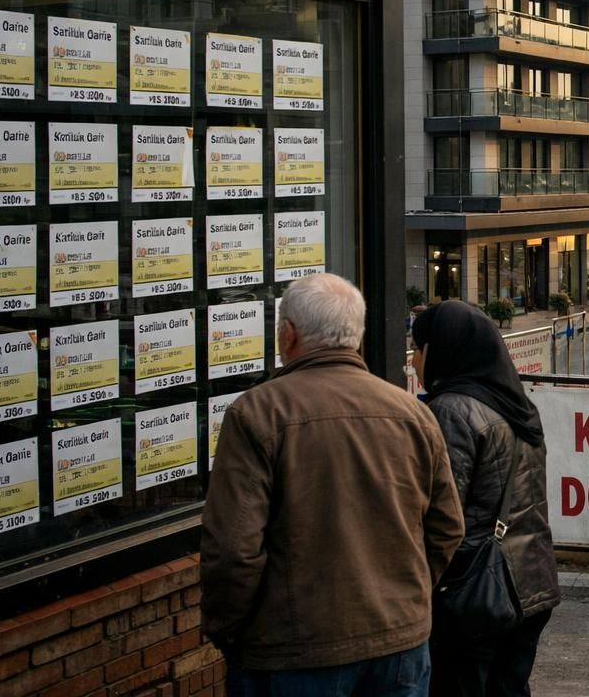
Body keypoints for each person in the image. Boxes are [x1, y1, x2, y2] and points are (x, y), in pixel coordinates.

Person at [202, 274, 466, 697]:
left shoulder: (256, 414)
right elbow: (447, 527)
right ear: (356, 337)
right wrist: (405, 595)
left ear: (287, 335)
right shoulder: (411, 413)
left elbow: (234, 549)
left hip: (293, 651)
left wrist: (226, 628)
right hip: (400, 642)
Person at [417, 301, 560, 697]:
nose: (412, 361)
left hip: (477, 591)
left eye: (418, 349)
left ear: (440, 350)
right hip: (530, 585)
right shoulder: (517, 406)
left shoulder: (451, 411)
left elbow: (443, 514)